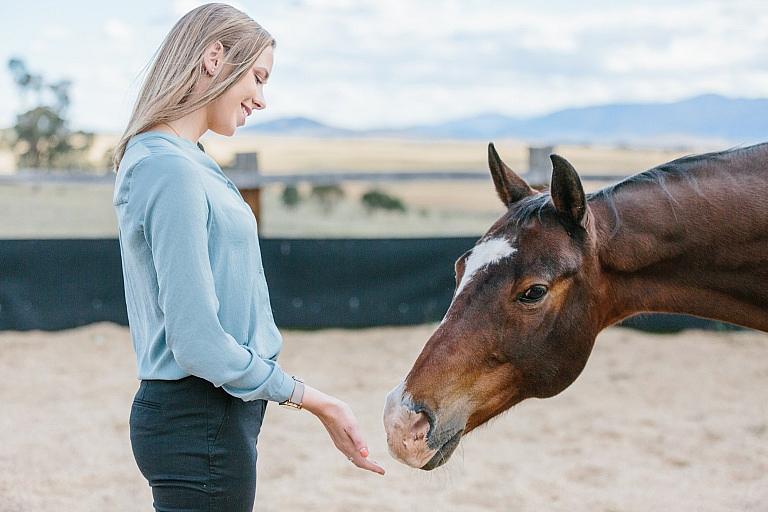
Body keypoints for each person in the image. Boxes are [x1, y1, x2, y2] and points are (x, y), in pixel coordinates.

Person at [111, 3, 384, 510]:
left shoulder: (184, 160)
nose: (262, 98)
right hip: (200, 421)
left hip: (209, 420)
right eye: (258, 78)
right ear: (214, 57)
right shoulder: (167, 169)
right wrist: (315, 400)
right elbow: (196, 341)